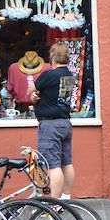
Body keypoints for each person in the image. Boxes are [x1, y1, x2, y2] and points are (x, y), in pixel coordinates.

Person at [27, 43, 76, 199]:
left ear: (52, 57)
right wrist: (37, 96)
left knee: (53, 166)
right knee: (66, 163)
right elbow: (53, 94)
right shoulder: (69, 75)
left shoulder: (49, 75)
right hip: (65, 123)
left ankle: (53, 204)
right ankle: (66, 198)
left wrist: (32, 92)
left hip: (50, 125)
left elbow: (30, 89)